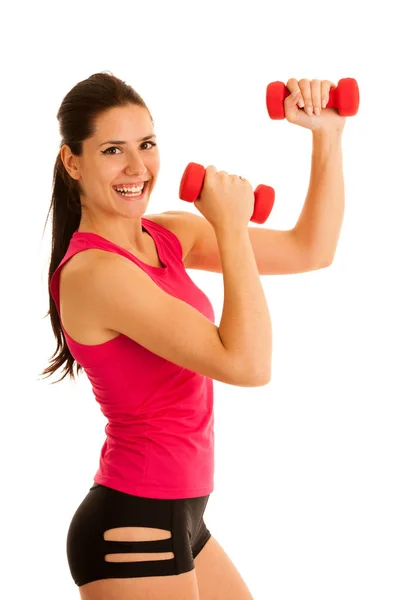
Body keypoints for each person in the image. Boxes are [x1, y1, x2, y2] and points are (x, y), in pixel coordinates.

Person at [40, 71, 345, 600]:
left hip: (183, 518)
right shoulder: (95, 273)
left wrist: (327, 135)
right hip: (131, 526)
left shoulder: (169, 234)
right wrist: (230, 227)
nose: (137, 167)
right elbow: (248, 366)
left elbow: (310, 249)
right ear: (73, 162)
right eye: (113, 150)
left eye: (147, 144)